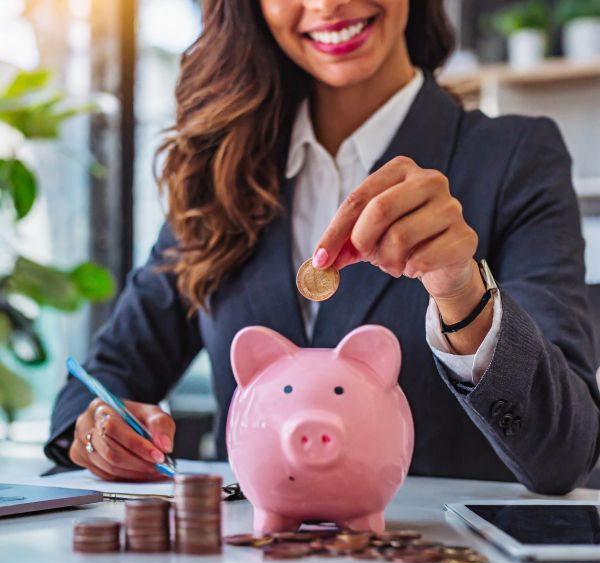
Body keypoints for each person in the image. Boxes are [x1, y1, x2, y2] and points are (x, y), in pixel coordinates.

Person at [46, 0, 599, 492]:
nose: (328, 4)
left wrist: (462, 293)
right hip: (252, 552)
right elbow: (98, 382)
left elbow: (565, 453)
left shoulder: (516, 157)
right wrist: (100, 430)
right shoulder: (222, 173)